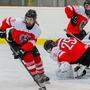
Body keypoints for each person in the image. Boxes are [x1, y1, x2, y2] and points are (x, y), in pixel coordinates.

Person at [0, 9, 49, 84]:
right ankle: (35, 75)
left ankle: (41, 74)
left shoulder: (37, 30)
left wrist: (23, 50)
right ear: (25, 18)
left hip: (26, 43)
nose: (28, 21)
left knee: (37, 56)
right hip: (14, 42)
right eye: (27, 19)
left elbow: (32, 42)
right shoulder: (18, 22)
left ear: (34, 20)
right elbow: (7, 21)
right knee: (28, 56)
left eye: (31, 20)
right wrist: (2, 30)